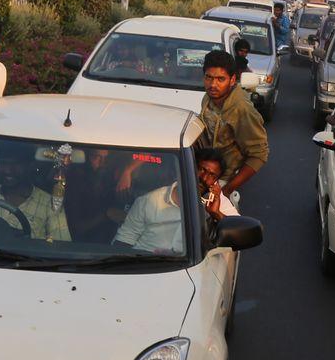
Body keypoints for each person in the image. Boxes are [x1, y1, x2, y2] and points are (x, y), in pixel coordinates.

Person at [198, 49, 269, 195]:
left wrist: (227, 189)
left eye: (220, 79)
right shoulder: (209, 98)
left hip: (222, 180)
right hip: (202, 171)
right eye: (208, 77)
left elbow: (259, 154)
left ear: (232, 80)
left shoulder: (241, 109)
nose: (213, 85)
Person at [0, 148, 71, 241]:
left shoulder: (50, 204)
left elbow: (60, 244)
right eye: (3, 163)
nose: (8, 170)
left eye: (16, 164)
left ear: (30, 166)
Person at [114, 177, 186, 254]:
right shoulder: (148, 200)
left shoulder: (198, 206)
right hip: (146, 258)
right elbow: (127, 237)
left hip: (188, 262)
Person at [194, 147, 240, 219]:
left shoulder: (216, 198)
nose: (204, 178)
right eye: (201, 170)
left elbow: (238, 227)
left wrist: (216, 213)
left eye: (212, 175)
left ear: (216, 181)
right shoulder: (171, 186)